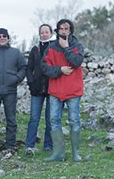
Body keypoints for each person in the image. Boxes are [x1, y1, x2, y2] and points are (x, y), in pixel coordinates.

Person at [42, 19, 84, 162]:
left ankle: (75, 153)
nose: (64, 31)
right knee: (54, 120)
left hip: (73, 90)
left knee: (74, 120)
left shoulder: (77, 46)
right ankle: (58, 154)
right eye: (61, 29)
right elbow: (45, 67)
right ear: (57, 30)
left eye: (66, 28)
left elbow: (76, 62)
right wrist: (60, 70)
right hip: (56, 90)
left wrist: (67, 48)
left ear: (70, 30)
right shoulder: (51, 48)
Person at [0, 28, 27, 152]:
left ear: (8, 38)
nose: (2, 38)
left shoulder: (16, 53)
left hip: (10, 90)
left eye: (4, 36)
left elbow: (23, 67)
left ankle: (10, 146)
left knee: (11, 119)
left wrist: (17, 78)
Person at [25, 24, 54, 155]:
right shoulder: (35, 50)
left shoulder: (55, 48)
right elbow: (29, 68)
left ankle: (48, 145)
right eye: (42, 32)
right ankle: (29, 145)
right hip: (36, 90)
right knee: (34, 118)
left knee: (50, 118)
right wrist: (31, 83)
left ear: (51, 33)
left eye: (46, 32)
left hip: (52, 89)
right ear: (39, 34)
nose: (44, 34)